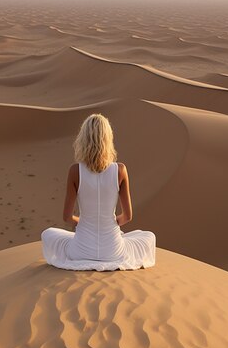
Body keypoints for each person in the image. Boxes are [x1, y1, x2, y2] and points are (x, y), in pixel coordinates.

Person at [41, 113, 156, 271]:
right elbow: (127, 216)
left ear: (83, 139)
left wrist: (84, 223)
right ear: (108, 139)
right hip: (113, 252)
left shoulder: (75, 171)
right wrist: (111, 223)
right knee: (148, 236)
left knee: (48, 234)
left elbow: (67, 217)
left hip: (80, 251)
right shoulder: (120, 170)